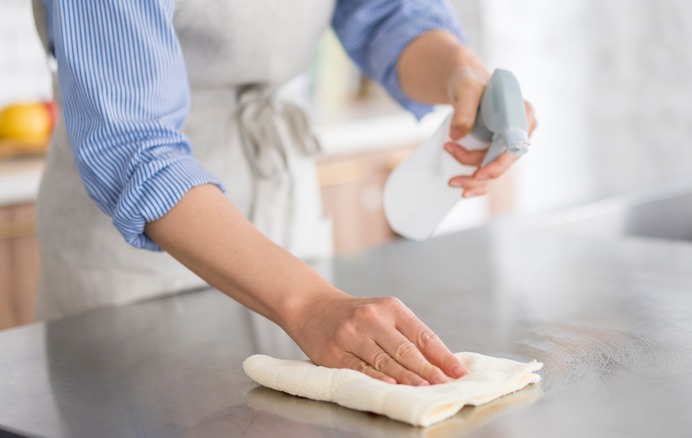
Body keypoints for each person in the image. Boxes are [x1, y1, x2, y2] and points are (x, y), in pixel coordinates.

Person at [32, 0, 537, 386]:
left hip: (283, 198)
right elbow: (132, 145)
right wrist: (312, 304)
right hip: (136, 253)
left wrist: (458, 69)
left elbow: (385, 14)